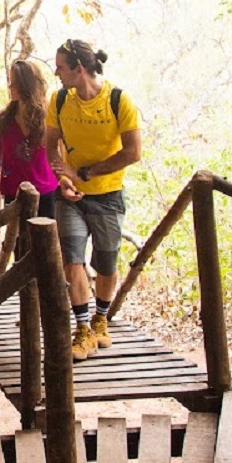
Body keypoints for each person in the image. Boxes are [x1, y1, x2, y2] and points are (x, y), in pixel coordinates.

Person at [45, 39, 142, 361]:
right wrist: (63, 178)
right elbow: (50, 147)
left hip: (108, 196)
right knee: (72, 259)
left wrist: (84, 173)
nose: (56, 73)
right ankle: (83, 327)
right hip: (70, 198)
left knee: (106, 262)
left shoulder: (119, 100)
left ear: (79, 68)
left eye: (60, 67)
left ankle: (101, 319)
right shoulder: (58, 100)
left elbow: (132, 152)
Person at [0, 58, 60, 225]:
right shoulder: (1, 121)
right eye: (10, 82)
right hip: (14, 195)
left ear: (28, 85)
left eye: (15, 83)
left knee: (47, 247)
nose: (11, 87)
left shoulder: (49, 118)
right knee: (18, 246)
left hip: (47, 194)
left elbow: (61, 154)